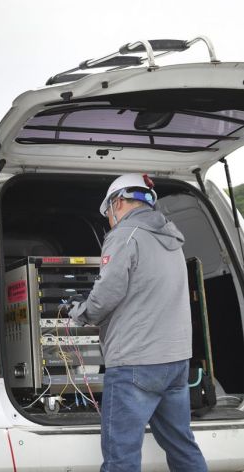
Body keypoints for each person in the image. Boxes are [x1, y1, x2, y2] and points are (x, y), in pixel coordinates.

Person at [67, 173, 207, 471]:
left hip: (135, 362)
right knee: (182, 446)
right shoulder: (171, 238)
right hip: (176, 361)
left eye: (109, 214)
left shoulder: (124, 235)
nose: (109, 221)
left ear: (117, 203)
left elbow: (106, 296)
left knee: (121, 457)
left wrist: (80, 311)